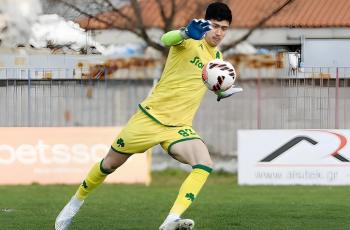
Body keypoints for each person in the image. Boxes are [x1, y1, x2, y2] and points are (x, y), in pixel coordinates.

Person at [55, 2, 240, 230]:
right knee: (109, 164)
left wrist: (221, 91)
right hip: (149, 118)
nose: (219, 32)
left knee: (204, 163)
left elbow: (205, 82)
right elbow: (166, 39)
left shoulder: (218, 56)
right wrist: (183, 32)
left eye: (224, 28)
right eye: (215, 26)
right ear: (207, 22)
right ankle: (74, 203)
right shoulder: (189, 37)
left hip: (178, 127)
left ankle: (170, 220)